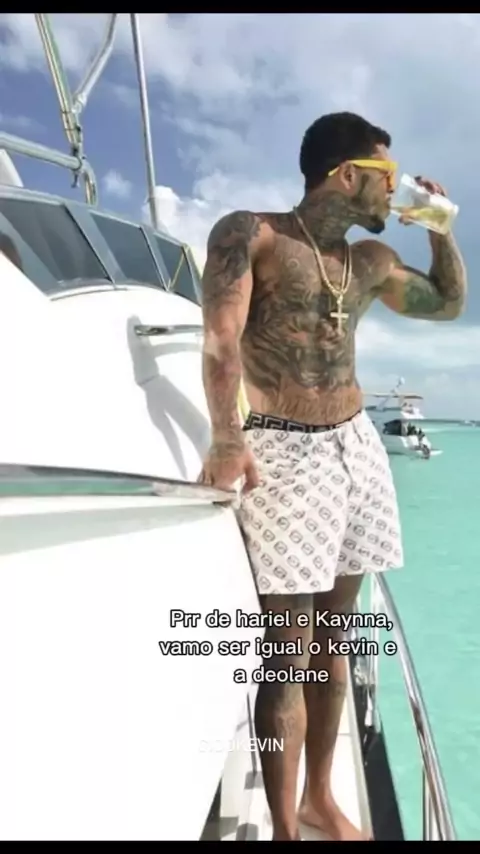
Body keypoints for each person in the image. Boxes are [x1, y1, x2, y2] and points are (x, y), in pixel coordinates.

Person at [198, 112, 467, 841]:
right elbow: (221, 337)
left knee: (336, 640)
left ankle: (319, 796)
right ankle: (286, 828)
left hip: (356, 446)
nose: (395, 190)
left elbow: (448, 306)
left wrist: (440, 230)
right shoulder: (251, 235)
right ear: (346, 175)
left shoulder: (371, 262)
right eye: (387, 176)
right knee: (288, 654)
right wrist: (226, 437)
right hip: (283, 450)